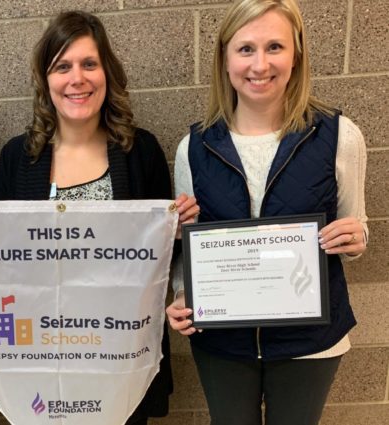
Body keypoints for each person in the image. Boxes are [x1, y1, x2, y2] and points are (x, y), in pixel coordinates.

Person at [166, 1, 368, 424]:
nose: (260, 64)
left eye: (274, 46)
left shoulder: (338, 136)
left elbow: (357, 231)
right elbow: (191, 245)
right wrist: (183, 296)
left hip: (309, 341)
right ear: (225, 58)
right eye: (246, 49)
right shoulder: (194, 149)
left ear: (296, 54)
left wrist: (355, 239)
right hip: (224, 342)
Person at [0, 11, 199, 425]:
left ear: (107, 72)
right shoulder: (18, 158)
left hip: (119, 353)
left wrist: (179, 233)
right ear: (45, 79)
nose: (77, 79)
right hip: (44, 355)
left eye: (89, 64)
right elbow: (1, 258)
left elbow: (163, 254)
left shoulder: (139, 151)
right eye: (62, 67)